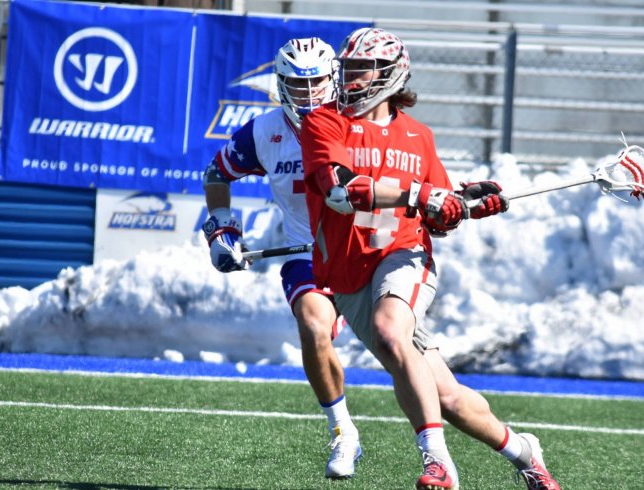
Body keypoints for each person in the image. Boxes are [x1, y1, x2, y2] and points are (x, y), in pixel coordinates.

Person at [300, 27, 561, 490]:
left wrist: (469, 202)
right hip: (349, 272)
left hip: (404, 254)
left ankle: (437, 462)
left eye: (361, 70)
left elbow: (440, 213)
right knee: (450, 399)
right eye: (348, 69)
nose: (350, 79)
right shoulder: (324, 122)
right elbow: (340, 190)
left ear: (390, 74)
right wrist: (425, 195)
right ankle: (526, 453)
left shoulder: (418, 136)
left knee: (389, 330)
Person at [201, 37, 363, 479]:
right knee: (314, 328)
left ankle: (441, 444)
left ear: (334, 81)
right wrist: (223, 229)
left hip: (364, 257)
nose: (307, 94)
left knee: (403, 352)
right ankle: (342, 431)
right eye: (296, 83)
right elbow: (217, 172)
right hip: (306, 255)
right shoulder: (265, 131)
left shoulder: (357, 124)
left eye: (315, 83)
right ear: (280, 83)